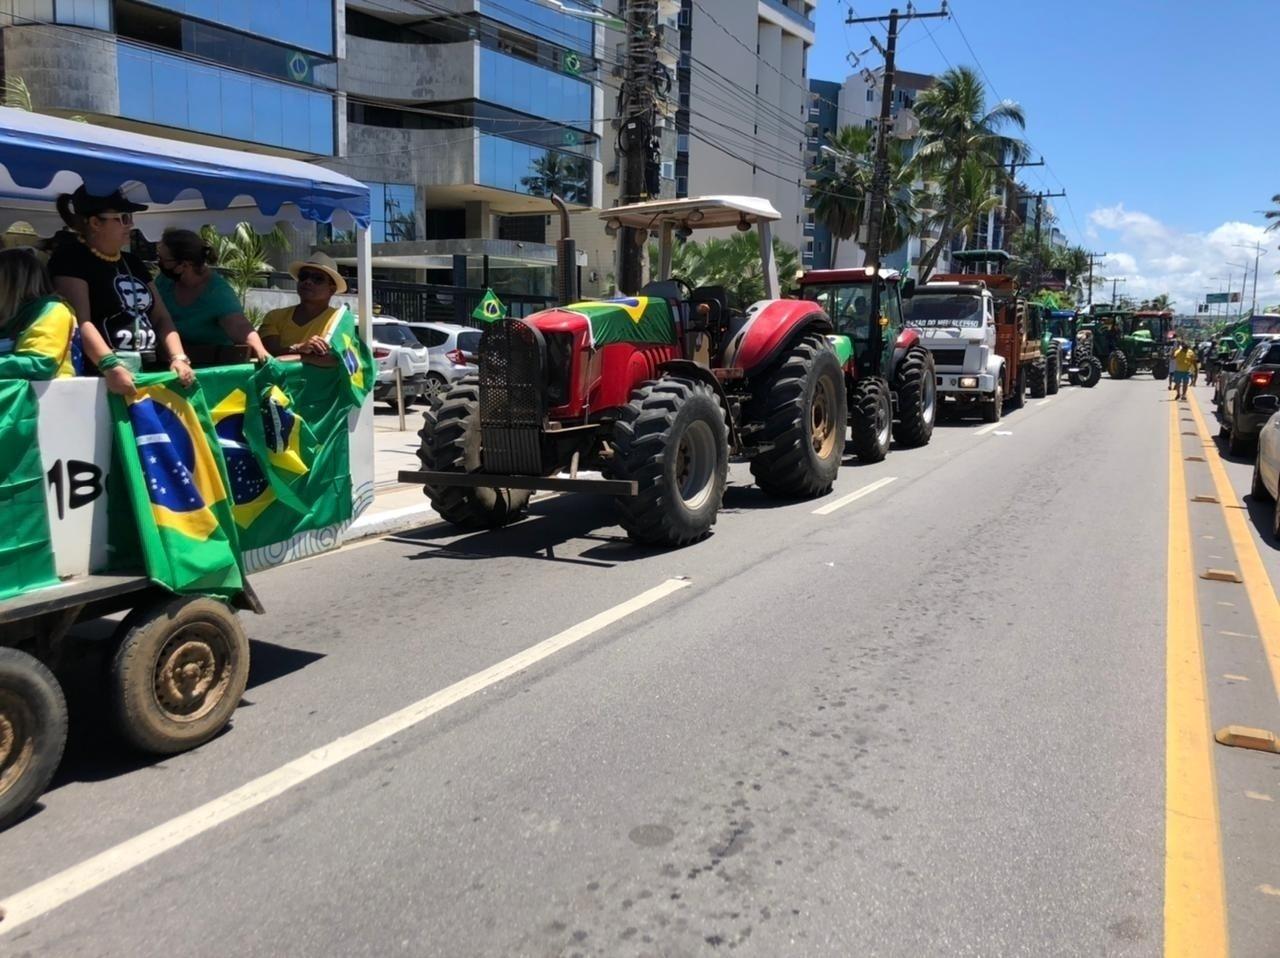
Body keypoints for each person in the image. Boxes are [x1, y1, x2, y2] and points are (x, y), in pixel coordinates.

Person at [49, 187, 194, 396]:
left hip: (146, 371)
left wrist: (178, 357)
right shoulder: (70, 259)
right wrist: (110, 365)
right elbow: (82, 322)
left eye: (130, 217)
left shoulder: (133, 262)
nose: (131, 224)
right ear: (95, 223)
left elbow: (161, 317)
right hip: (100, 379)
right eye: (122, 218)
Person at [155, 229, 269, 365]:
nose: (159, 263)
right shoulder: (163, 282)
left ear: (184, 265)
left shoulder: (218, 293)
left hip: (212, 367)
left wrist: (262, 353)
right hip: (169, 362)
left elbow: (240, 326)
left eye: (163, 259)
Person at [259, 252, 348, 366]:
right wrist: (300, 348)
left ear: (331, 289)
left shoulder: (339, 320)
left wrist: (297, 356)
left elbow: (338, 361)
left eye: (318, 279)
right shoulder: (274, 316)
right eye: (304, 276)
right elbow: (269, 353)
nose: (308, 281)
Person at [0, 247, 76, 379]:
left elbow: (41, 363)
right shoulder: (8, 315)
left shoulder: (52, 310)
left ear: (13, 282)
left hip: (39, 397)